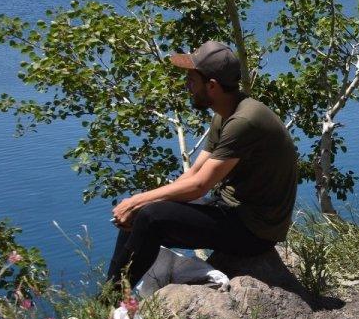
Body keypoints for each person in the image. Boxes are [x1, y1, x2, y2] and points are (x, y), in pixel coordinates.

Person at [105, 41, 298, 288]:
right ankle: (110, 292)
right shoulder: (226, 113)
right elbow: (195, 172)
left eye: (191, 81)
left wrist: (138, 200)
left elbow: (199, 186)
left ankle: (110, 301)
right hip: (233, 211)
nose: (187, 86)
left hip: (256, 231)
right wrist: (141, 202)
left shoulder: (244, 120)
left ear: (212, 86)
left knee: (150, 217)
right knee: (141, 212)